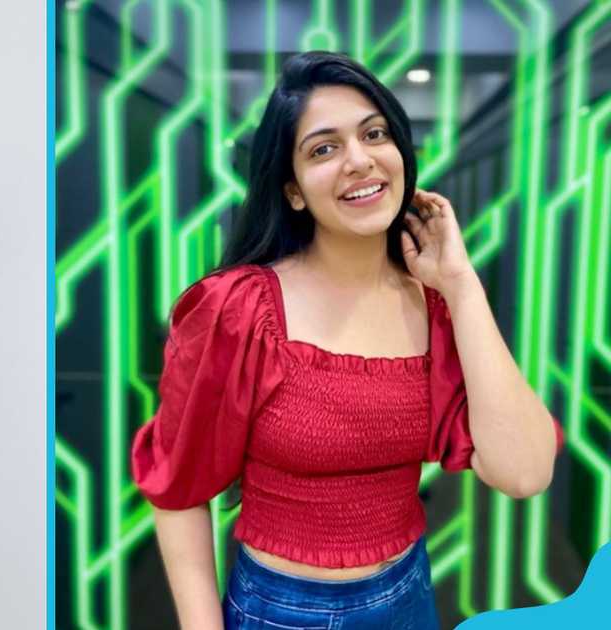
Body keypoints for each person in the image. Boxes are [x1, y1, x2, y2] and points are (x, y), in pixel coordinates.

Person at [130, 51, 564, 630]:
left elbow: (524, 472)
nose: (359, 160)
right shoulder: (240, 309)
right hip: (282, 610)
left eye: (375, 133)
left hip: (408, 591)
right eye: (323, 148)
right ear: (293, 191)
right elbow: (179, 487)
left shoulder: (435, 304)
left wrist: (461, 285)